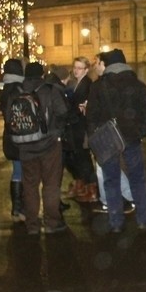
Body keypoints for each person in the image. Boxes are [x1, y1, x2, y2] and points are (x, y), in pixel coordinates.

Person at [86, 49, 146, 233]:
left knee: (111, 180)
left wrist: (96, 137)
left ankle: (116, 222)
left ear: (108, 64)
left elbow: (91, 117)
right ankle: (144, 219)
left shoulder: (97, 86)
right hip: (132, 138)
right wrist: (140, 132)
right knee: (138, 179)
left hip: (108, 139)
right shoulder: (137, 84)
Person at [14, 62, 69, 235]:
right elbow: (63, 112)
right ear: (42, 74)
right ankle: (52, 222)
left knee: (30, 186)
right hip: (49, 146)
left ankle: (32, 225)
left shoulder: (17, 92)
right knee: (51, 185)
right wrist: (56, 132)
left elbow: (9, 119)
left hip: (25, 147)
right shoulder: (50, 90)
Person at [62, 57, 98, 203]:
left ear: (86, 70)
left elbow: (81, 107)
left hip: (81, 127)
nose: (76, 70)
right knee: (75, 157)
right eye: (75, 67)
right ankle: (81, 184)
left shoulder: (87, 85)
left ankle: (91, 188)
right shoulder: (73, 83)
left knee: (83, 158)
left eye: (79, 68)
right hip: (74, 127)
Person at [0, 58, 25, 223]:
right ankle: (19, 209)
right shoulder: (18, 89)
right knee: (22, 172)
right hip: (20, 136)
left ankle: (17, 208)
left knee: (17, 172)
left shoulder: (6, 89)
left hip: (9, 137)